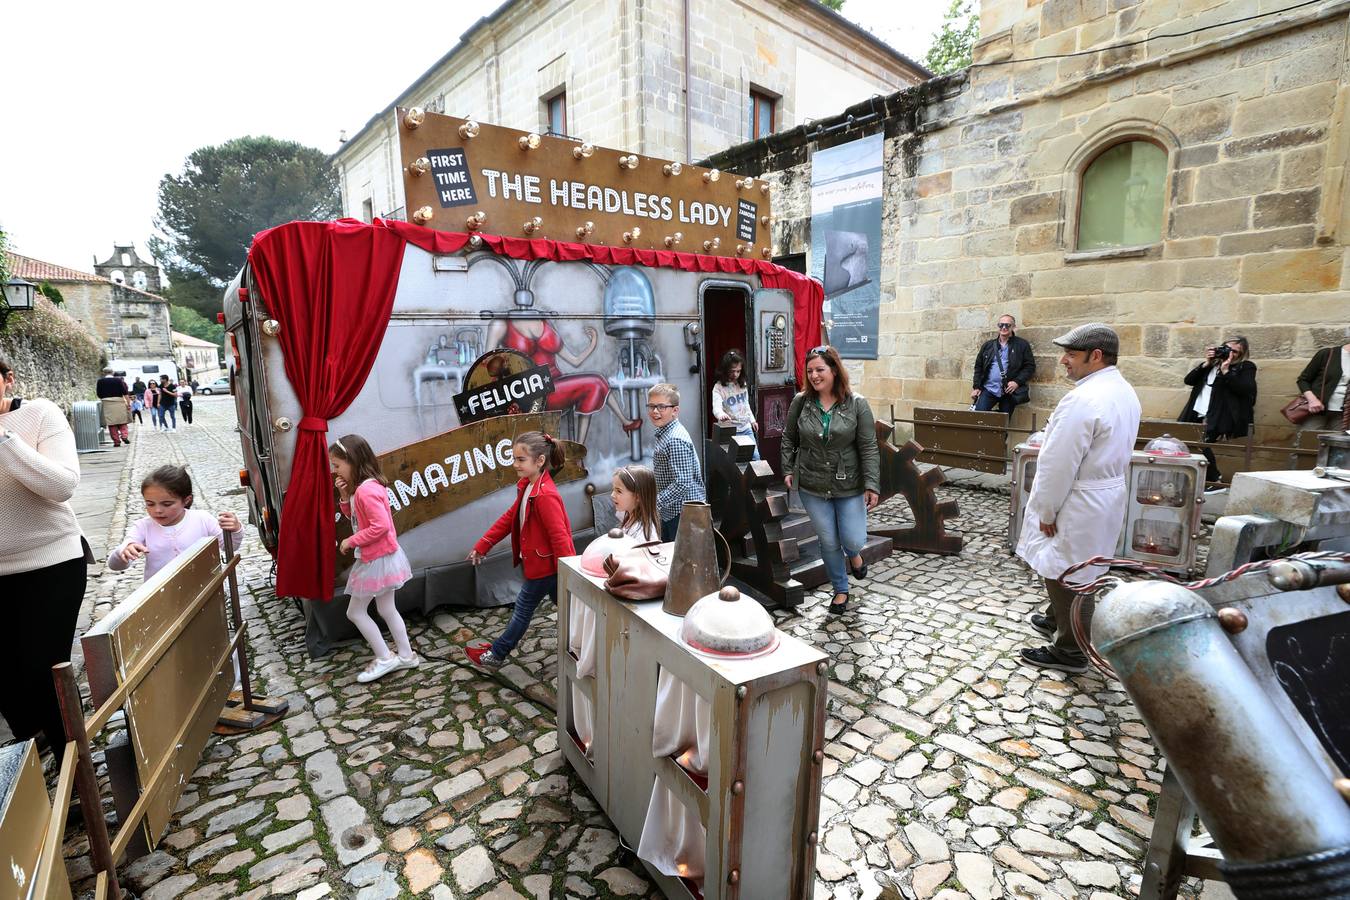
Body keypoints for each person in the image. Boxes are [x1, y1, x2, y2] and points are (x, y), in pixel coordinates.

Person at [1016, 323, 1141, 674]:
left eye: (1071, 354)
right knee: (1074, 564)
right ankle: (1056, 617)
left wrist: (1046, 508)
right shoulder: (1123, 390)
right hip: (1102, 493)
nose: (1063, 361)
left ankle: (1071, 650)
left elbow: (1057, 463)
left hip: (1078, 497)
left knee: (1070, 573)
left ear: (1096, 356)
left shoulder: (1083, 399)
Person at [0, 355, 93, 751]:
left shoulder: (40, 415)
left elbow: (61, 486)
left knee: (43, 673)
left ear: (8, 379)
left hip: (50, 563)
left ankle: (77, 780)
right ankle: (32, 766)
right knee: (7, 682)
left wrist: (3, 437)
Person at [781, 345, 880, 615]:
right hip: (812, 483)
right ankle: (840, 589)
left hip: (848, 482)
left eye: (820, 369)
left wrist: (872, 484)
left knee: (852, 538)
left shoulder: (856, 403)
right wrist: (788, 468)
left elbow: (869, 446)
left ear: (834, 370)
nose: (814, 375)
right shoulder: (801, 402)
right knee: (827, 539)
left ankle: (855, 555)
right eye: (810, 370)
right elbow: (789, 438)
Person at [465, 431, 575, 669]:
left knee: (523, 608)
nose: (515, 464)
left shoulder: (545, 495)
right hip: (544, 565)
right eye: (514, 458)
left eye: (520, 460)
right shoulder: (528, 486)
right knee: (569, 607)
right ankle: (582, 642)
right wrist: (484, 544)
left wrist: (569, 572)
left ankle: (496, 654)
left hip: (546, 567)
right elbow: (510, 518)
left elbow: (560, 537)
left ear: (540, 461)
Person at [330, 434, 419, 683]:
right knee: (386, 608)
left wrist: (351, 541)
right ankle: (406, 655)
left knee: (356, 612)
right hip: (383, 556)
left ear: (352, 461)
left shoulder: (367, 491)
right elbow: (360, 520)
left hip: (376, 559)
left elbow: (379, 526)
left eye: (337, 465)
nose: (334, 471)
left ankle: (385, 657)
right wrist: (346, 498)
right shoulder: (366, 487)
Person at [108, 465, 242, 580]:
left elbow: (230, 546)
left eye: (167, 504)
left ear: (186, 500)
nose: (158, 510)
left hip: (204, 592)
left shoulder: (202, 519)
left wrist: (235, 530)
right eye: (150, 504)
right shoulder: (143, 527)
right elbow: (115, 565)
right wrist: (124, 551)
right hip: (162, 598)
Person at [1178, 337, 1256, 483]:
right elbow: (1188, 380)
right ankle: (1201, 479)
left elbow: (1246, 389)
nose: (1230, 353)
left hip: (1219, 415)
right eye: (1226, 348)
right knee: (1190, 442)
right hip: (1197, 412)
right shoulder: (1211, 365)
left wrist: (1226, 371)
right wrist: (1206, 363)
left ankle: (1213, 479)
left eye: (1235, 351)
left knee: (1201, 444)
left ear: (1241, 354)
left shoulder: (1246, 367)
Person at [648, 383, 706, 541]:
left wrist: (654, 503)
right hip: (672, 510)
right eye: (651, 406)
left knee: (680, 559)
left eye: (661, 407)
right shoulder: (665, 433)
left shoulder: (675, 439)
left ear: (675, 410)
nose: (654, 411)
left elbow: (682, 483)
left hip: (682, 513)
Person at [970, 314, 1036, 415]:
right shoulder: (988, 346)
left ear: (1013, 327)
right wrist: (977, 387)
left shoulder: (1022, 345)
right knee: (979, 418)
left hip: (1009, 392)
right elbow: (979, 367)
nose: (1004, 328)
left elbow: (1029, 366)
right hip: (989, 389)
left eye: (1007, 325)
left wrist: (1017, 382)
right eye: (1001, 325)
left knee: (1003, 424)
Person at [711, 349, 760, 460]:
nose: (735, 374)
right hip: (731, 429)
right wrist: (721, 415)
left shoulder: (742, 384)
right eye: (732, 371)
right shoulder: (718, 388)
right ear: (725, 370)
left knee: (755, 457)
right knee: (735, 461)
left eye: (738, 371)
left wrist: (752, 420)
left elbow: (746, 404)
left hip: (746, 427)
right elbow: (716, 407)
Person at [1295, 341, 1350, 433]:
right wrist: (1312, 400)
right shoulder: (1327, 354)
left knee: (1337, 445)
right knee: (1309, 442)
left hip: (1343, 415)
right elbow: (1303, 380)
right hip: (1316, 410)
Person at [611, 464, 661, 541]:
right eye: (613, 489)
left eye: (619, 491)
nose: (612, 495)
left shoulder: (642, 536)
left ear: (638, 497)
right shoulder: (626, 514)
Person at [96, 367, 132, 447]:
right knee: (122, 421)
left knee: (111, 424)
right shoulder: (118, 380)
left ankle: (116, 441)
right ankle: (124, 435)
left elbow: (99, 394)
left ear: (104, 373)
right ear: (112, 373)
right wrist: (128, 403)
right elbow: (125, 392)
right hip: (119, 402)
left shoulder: (100, 381)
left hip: (107, 403)